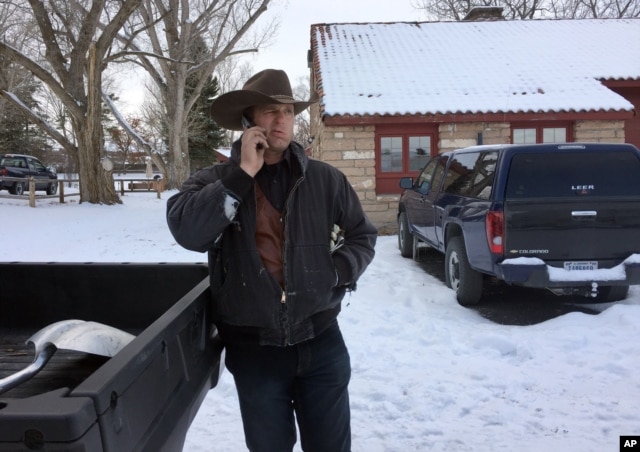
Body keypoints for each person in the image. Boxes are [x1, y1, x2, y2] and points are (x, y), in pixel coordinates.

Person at [166, 69, 377, 452]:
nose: (281, 121)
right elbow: (188, 232)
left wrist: (337, 270)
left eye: (288, 112)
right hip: (254, 351)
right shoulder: (214, 181)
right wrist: (242, 173)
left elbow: (363, 236)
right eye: (269, 111)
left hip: (321, 343)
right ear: (249, 121)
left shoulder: (326, 180)